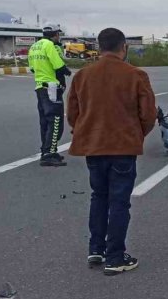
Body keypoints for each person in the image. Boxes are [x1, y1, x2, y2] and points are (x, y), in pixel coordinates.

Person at [67, 28, 157, 275]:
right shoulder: (136, 75)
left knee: (99, 196)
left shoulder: (82, 76)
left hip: (93, 148)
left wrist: (88, 132)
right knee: (119, 202)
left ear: (99, 47)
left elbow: (73, 114)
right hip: (123, 148)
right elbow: (148, 115)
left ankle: (96, 249)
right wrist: (136, 135)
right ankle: (115, 257)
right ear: (123, 47)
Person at [27, 24, 71, 166]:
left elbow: (32, 68)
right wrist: (67, 71)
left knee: (45, 121)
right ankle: (49, 154)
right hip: (51, 87)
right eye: (58, 34)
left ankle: (47, 150)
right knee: (56, 120)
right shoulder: (49, 45)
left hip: (40, 87)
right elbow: (59, 65)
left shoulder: (34, 46)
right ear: (55, 34)